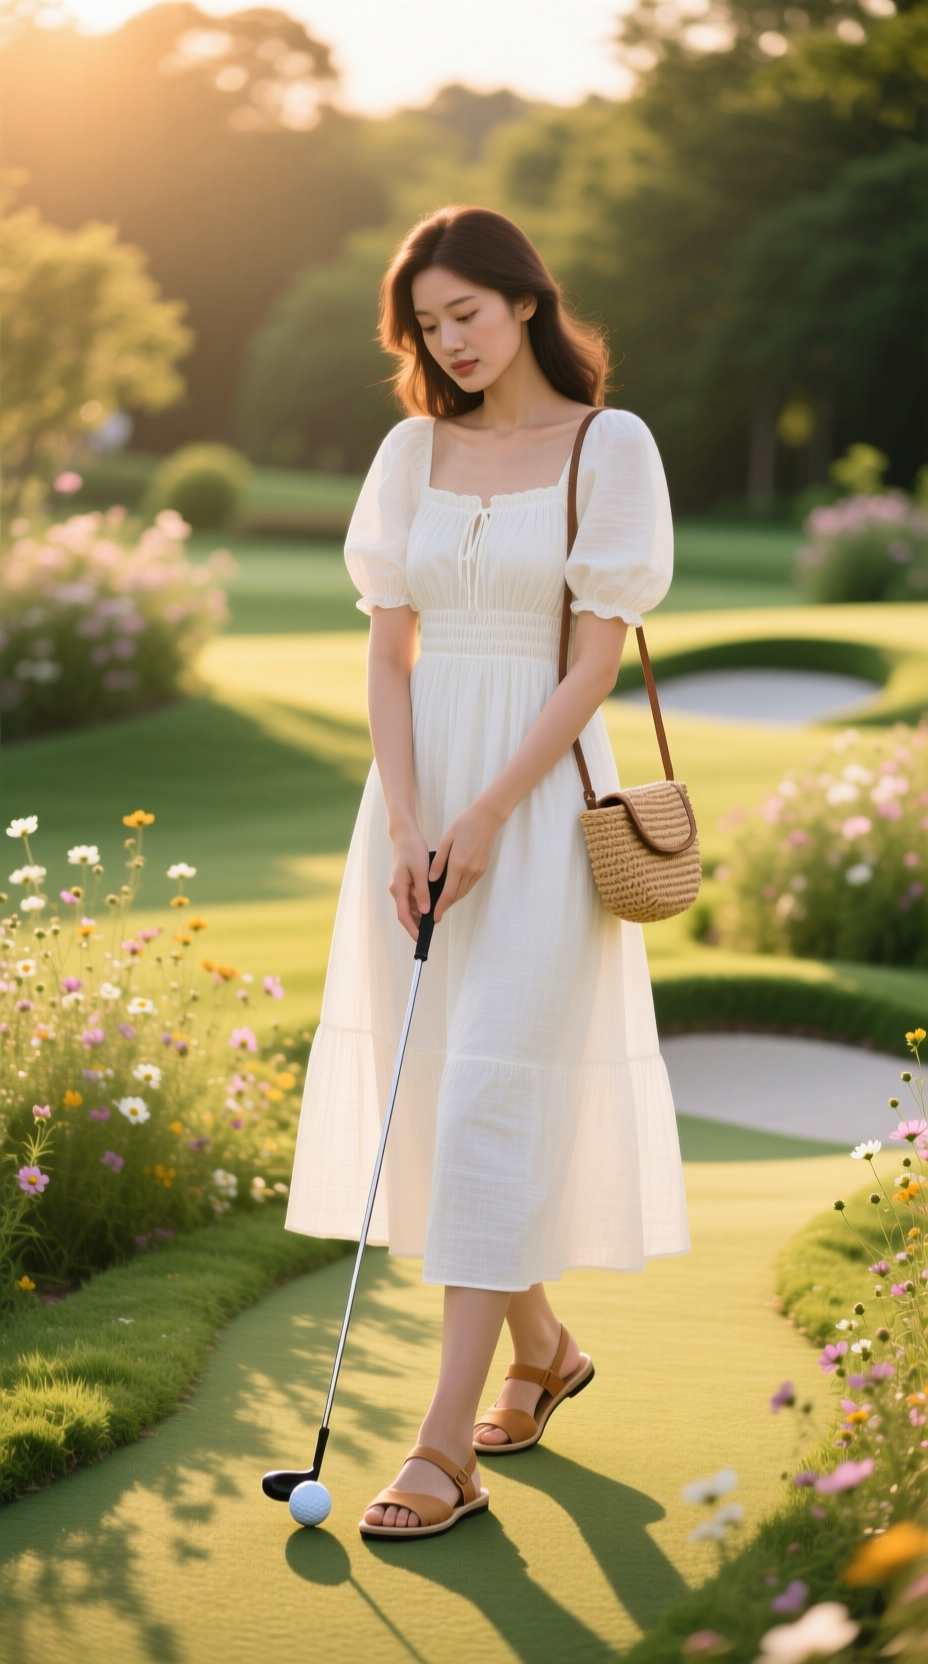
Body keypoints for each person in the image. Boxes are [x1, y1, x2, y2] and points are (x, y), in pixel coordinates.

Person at [286, 205, 689, 1540]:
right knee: (442, 1092)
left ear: (523, 300)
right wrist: (410, 826)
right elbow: (386, 654)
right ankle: (545, 1352)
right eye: (424, 325)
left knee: (491, 1096)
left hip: (537, 801)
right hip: (411, 809)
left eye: (464, 312)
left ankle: (443, 1446)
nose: (446, 343)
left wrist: (490, 816)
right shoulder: (410, 453)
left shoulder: (606, 445)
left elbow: (588, 661)